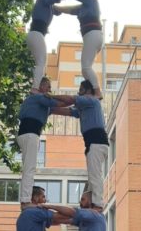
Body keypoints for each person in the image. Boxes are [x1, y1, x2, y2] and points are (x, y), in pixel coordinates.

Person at [50, 80, 109, 208]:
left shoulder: (91, 100)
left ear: (88, 91)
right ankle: (94, 202)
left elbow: (70, 99)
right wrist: (50, 109)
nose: (78, 92)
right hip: (93, 143)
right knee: (93, 176)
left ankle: (98, 204)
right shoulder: (85, 108)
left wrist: (51, 96)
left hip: (96, 142)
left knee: (95, 176)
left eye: (81, 90)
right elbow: (69, 112)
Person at [17, 77, 68, 209]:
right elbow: (60, 104)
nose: (50, 90)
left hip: (26, 134)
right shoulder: (37, 97)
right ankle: (25, 200)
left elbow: (62, 109)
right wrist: (77, 100)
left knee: (28, 168)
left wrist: (77, 110)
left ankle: (25, 199)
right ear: (40, 86)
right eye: (48, 86)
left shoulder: (40, 103)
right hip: (30, 134)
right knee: (29, 169)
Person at [52, 0, 103, 99]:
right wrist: (55, 7)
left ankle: (98, 92)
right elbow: (68, 9)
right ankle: (91, 91)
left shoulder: (91, 0)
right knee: (85, 70)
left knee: (86, 68)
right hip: (92, 36)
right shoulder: (82, 8)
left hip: (92, 35)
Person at [26, 0, 63, 94]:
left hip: (35, 35)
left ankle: (37, 86)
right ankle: (35, 88)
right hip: (36, 34)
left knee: (41, 63)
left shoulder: (49, 6)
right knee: (41, 63)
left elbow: (59, 11)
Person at [42, 190, 106, 230]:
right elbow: (65, 220)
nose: (80, 202)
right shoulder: (86, 217)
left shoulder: (93, 214)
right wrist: (44, 220)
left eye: (83, 199)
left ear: (90, 201)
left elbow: (72, 212)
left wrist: (48, 206)